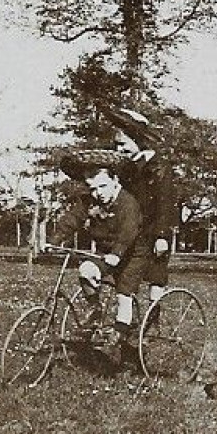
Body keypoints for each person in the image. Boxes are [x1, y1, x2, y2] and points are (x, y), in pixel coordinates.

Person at [51, 151, 145, 372]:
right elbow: (72, 219)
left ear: (115, 180)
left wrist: (118, 253)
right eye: (92, 188)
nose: (97, 193)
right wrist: (53, 240)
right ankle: (95, 309)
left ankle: (119, 334)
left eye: (102, 187)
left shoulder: (128, 203)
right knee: (86, 269)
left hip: (132, 254)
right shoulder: (90, 201)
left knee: (124, 295)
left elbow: (128, 233)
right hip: (106, 252)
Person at [105, 105, 178, 320]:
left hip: (155, 230)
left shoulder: (158, 167)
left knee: (156, 275)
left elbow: (165, 204)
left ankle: (151, 318)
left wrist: (162, 236)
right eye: (117, 145)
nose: (119, 150)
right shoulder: (125, 168)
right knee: (126, 274)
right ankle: (128, 318)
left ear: (138, 141)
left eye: (123, 145)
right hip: (133, 228)